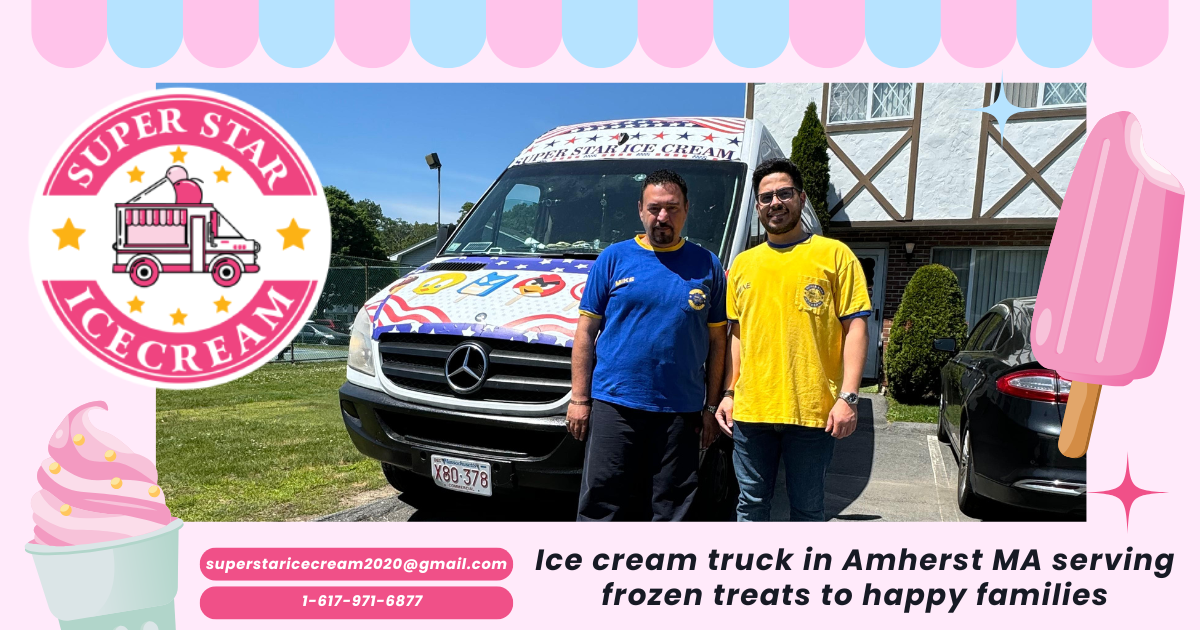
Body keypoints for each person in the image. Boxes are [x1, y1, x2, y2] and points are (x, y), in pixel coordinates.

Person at [715, 158, 870, 522]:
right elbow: (736, 334)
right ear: (757, 207)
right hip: (752, 411)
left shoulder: (834, 255)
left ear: (801, 198)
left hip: (814, 411)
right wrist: (728, 392)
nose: (775, 203)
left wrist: (849, 397)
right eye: (766, 197)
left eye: (784, 193)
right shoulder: (742, 264)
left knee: (807, 509)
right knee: (750, 506)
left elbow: (856, 329)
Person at [569, 169, 727, 521]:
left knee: (671, 508)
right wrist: (579, 399)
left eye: (672, 208)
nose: (663, 217)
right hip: (615, 404)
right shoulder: (613, 258)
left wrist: (711, 405)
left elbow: (719, 342)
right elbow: (584, 332)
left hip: (681, 412)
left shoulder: (708, 265)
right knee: (602, 502)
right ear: (641, 209)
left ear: (687, 210)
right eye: (655, 208)